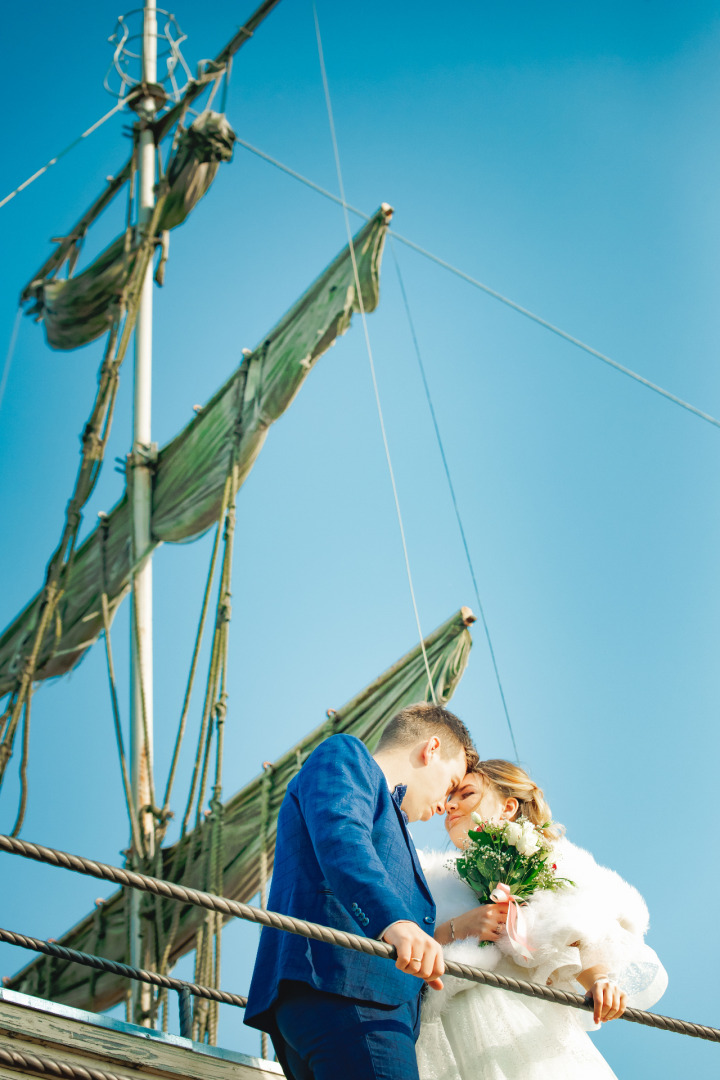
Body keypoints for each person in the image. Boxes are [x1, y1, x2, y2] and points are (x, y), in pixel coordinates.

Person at [244, 701, 478, 1080]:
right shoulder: (345, 754)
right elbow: (343, 838)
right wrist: (395, 921)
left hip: (342, 998)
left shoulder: (395, 820)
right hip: (347, 989)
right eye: (451, 784)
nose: (444, 805)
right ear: (431, 748)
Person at [416, 760, 668, 1080]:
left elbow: (573, 927)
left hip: (521, 1020)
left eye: (466, 793)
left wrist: (601, 981)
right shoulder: (429, 874)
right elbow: (409, 945)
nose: (450, 803)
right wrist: (457, 928)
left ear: (508, 807)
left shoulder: (546, 861)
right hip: (445, 1030)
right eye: (450, 795)